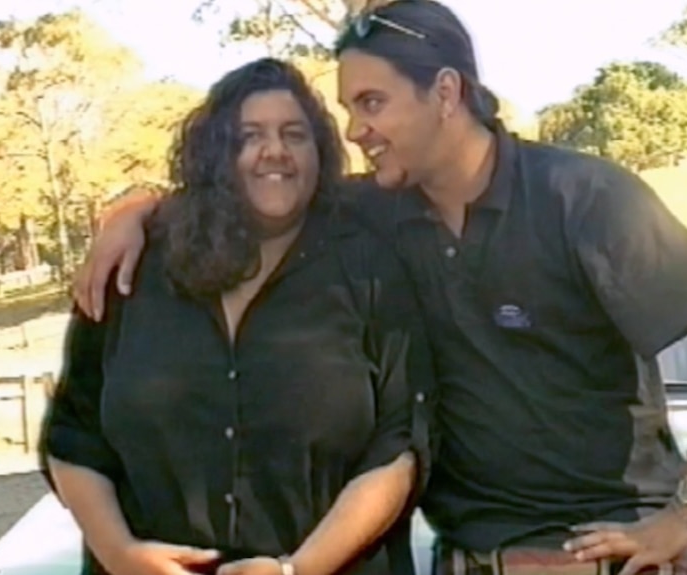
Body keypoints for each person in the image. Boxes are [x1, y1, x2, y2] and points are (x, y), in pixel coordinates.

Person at [69, 1, 687, 574]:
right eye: (347, 108)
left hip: (605, 556)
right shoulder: (375, 208)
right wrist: (135, 207)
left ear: (445, 91)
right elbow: (259, 188)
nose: (356, 130)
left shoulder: (580, 196)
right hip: (467, 559)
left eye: (371, 102)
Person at [39, 57, 436, 575]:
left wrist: (299, 569)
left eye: (295, 134)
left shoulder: (369, 264)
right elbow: (74, 432)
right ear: (215, 156)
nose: (275, 150)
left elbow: (402, 442)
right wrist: (118, 554)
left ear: (320, 152)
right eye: (249, 136)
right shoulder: (135, 268)